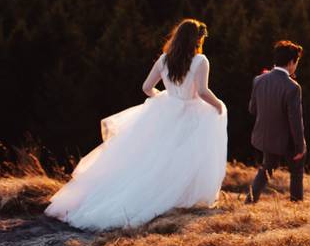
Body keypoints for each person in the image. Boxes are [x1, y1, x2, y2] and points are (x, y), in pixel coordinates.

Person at [45, 18, 228, 231]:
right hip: (191, 114)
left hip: (167, 112)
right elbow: (204, 91)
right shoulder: (201, 61)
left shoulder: (163, 60)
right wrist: (219, 106)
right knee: (183, 159)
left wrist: (164, 98)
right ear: (196, 40)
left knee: (155, 160)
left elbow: (146, 87)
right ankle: (179, 199)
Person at [246, 40, 305, 203]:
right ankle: (296, 205)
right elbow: (295, 120)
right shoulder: (293, 87)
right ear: (291, 62)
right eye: (296, 62)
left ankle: (250, 201)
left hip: (265, 136)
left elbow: (252, 109)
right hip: (285, 139)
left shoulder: (258, 80)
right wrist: (300, 146)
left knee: (267, 167)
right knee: (297, 169)